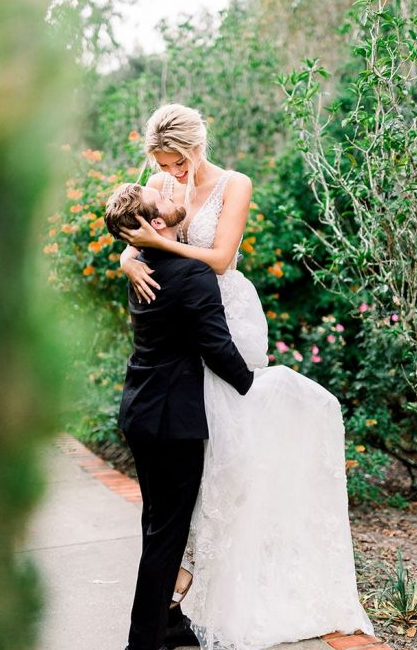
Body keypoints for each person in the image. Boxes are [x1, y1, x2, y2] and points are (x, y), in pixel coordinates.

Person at [118, 103, 375, 650]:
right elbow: (135, 227)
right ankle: (179, 591)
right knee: (196, 457)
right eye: (164, 165)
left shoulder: (235, 183)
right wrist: (126, 258)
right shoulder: (159, 180)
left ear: (196, 149)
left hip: (224, 312)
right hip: (185, 314)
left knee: (232, 454)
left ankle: (204, 586)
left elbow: (220, 256)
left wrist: (160, 246)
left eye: (179, 164)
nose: (174, 176)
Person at [104, 182, 254, 650]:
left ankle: (168, 625)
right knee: (168, 534)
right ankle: (143, 642)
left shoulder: (141, 266)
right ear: (158, 224)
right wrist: (254, 385)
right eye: (164, 199)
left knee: (159, 525)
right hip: (173, 421)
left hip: (141, 411)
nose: (172, 195)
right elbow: (216, 347)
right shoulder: (191, 274)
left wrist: (129, 255)